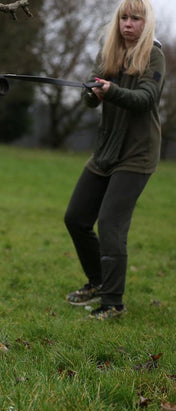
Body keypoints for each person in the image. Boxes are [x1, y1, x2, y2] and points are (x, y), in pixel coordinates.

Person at [64, 0, 166, 320]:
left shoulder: (154, 54)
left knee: (110, 223)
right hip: (106, 151)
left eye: (135, 18)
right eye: (124, 17)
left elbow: (146, 99)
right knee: (76, 218)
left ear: (145, 22)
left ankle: (113, 303)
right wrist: (92, 93)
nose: (128, 24)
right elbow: (88, 99)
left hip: (137, 154)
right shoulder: (107, 51)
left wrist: (111, 91)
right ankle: (97, 281)